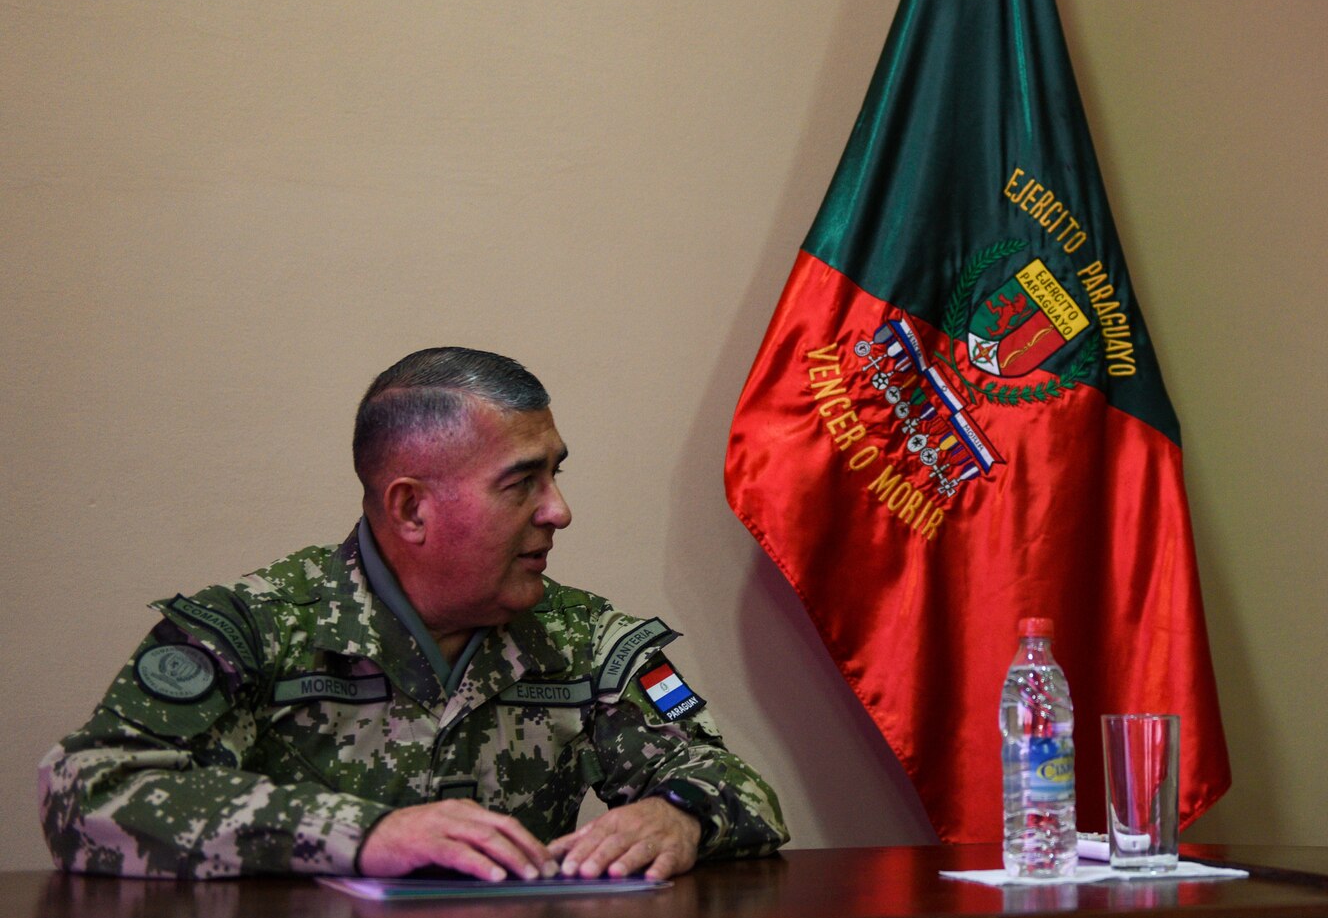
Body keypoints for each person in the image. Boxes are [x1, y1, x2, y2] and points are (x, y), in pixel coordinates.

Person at [40, 347, 789, 880]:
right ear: (411, 507)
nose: (559, 511)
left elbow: (740, 784)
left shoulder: (586, 640)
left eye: (554, 474)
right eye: (522, 482)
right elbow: (90, 788)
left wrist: (684, 812)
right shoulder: (255, 630)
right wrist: (362, 834)